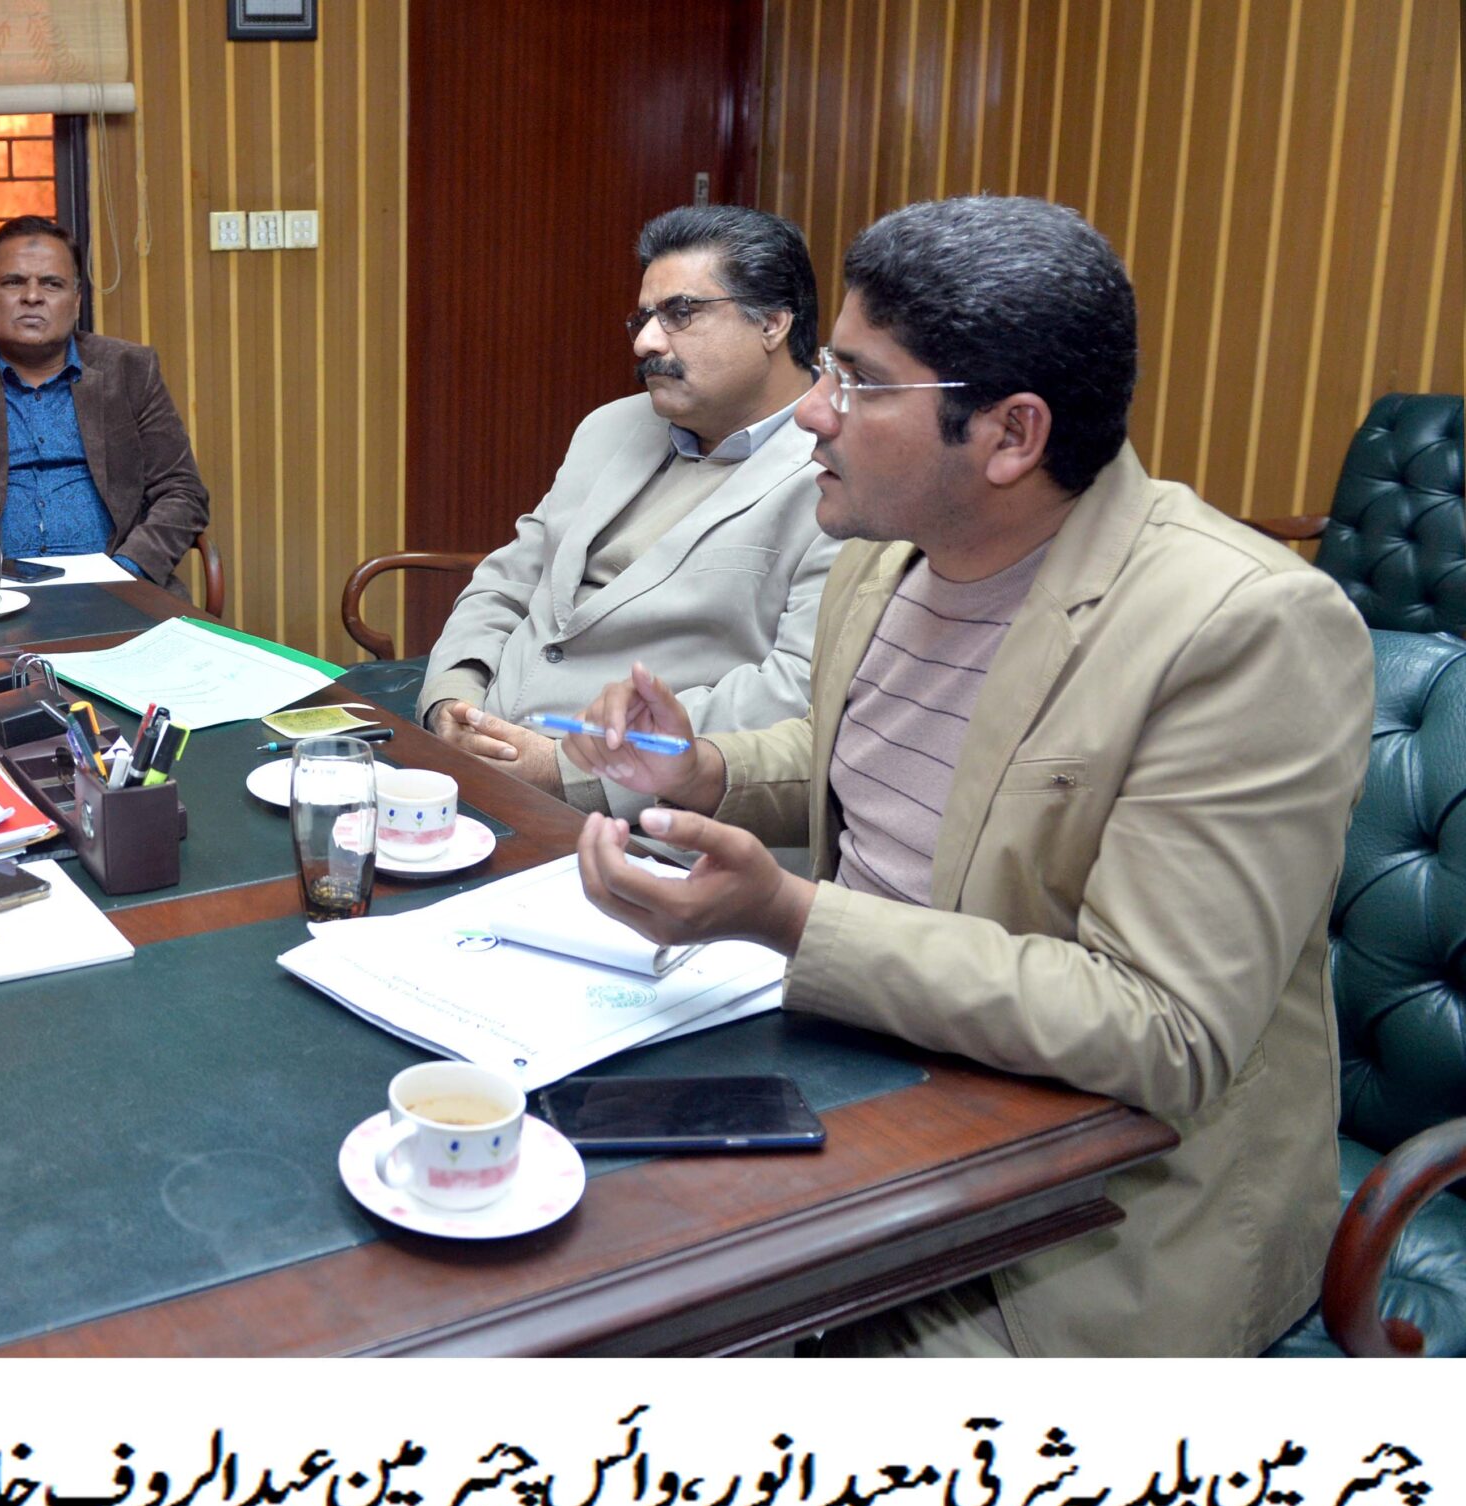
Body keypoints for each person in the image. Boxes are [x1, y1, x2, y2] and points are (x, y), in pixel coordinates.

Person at [564, 196, 1374, 1358]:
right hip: (863, 1095)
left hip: (1067, 1235)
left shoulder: (1244, 629)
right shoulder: (887, 550)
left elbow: (1164, 1029)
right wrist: (698, 769)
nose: (812, 412)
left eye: (856, 381)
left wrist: (786, 914)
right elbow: (868, 758)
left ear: (1009, 435)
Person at [417, 206, 840, 815]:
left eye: (680, 313)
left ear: (772, 322)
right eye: (644, 318)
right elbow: (508, 579)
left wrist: (570, 772)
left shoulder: (840, 472)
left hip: (643, 821)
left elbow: (794, 691)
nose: (646, 342)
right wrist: (451, 697)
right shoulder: (611, 426)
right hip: (473, 769)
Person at [0, 216, 210, 594]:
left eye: (52, 283)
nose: (32, 296)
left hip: (119, 588)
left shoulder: (130, 370)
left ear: (76, 301)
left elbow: (182, 491)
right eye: (13, 282)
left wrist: (128, 571)